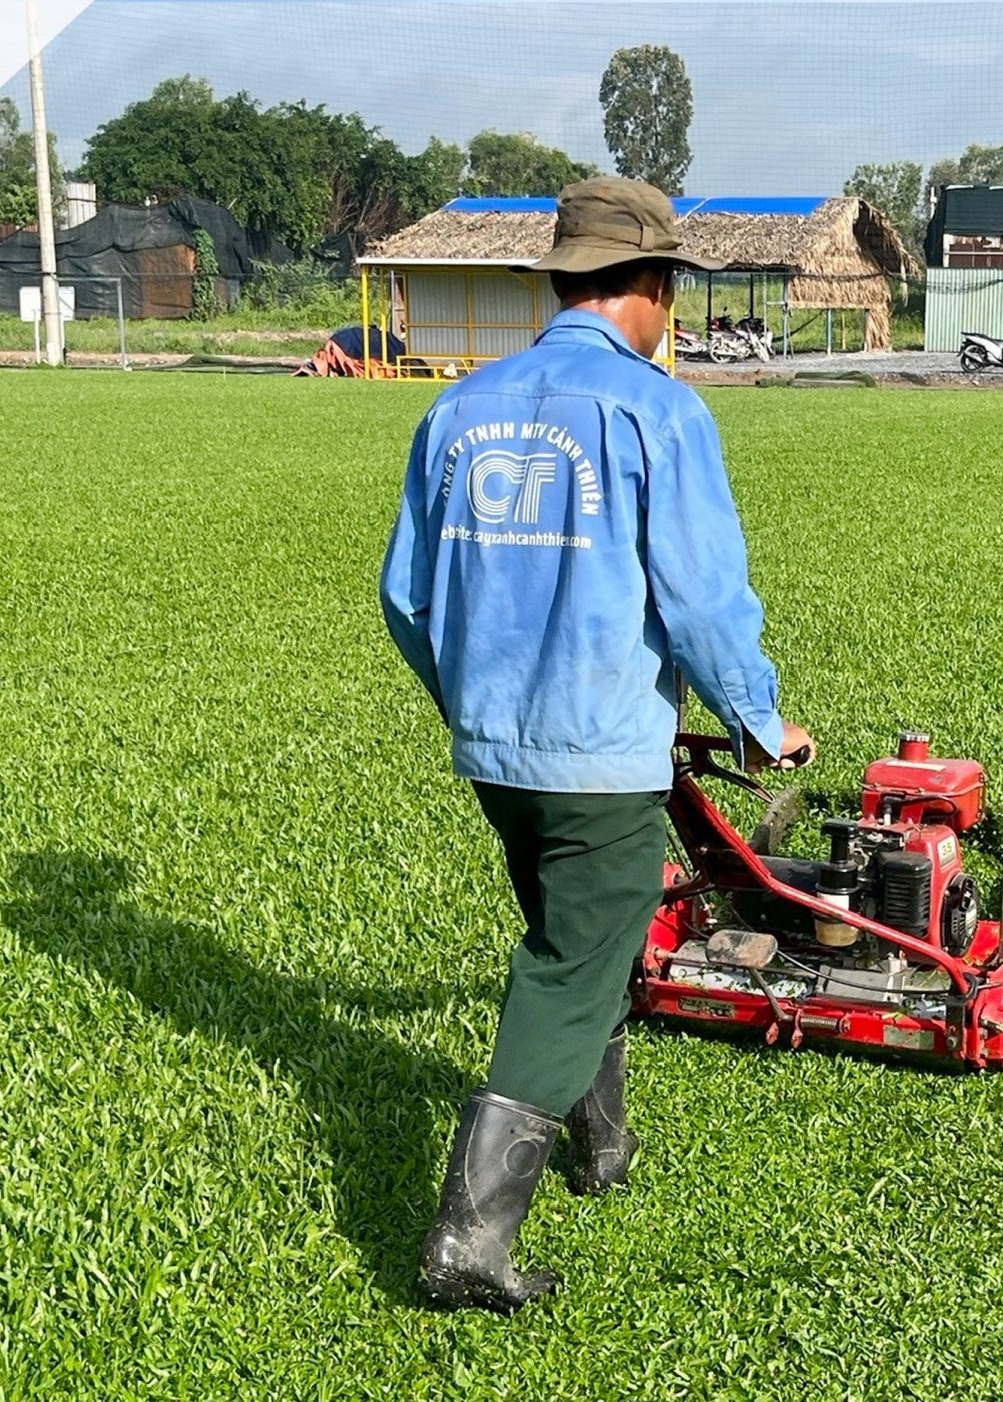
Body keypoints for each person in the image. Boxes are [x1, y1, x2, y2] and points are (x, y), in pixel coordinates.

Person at [380, 177, 812, 1314]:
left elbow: (407, 599)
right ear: (658, 288)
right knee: (569, 963)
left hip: (494, 752)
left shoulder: (462, 409)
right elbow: (705, 600)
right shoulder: (655, 411)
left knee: (581, 930)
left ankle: (601, 1146)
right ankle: (470, 1241)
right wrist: (764, 721)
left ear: (561, 281)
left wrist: (472, 702)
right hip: (603, 751)